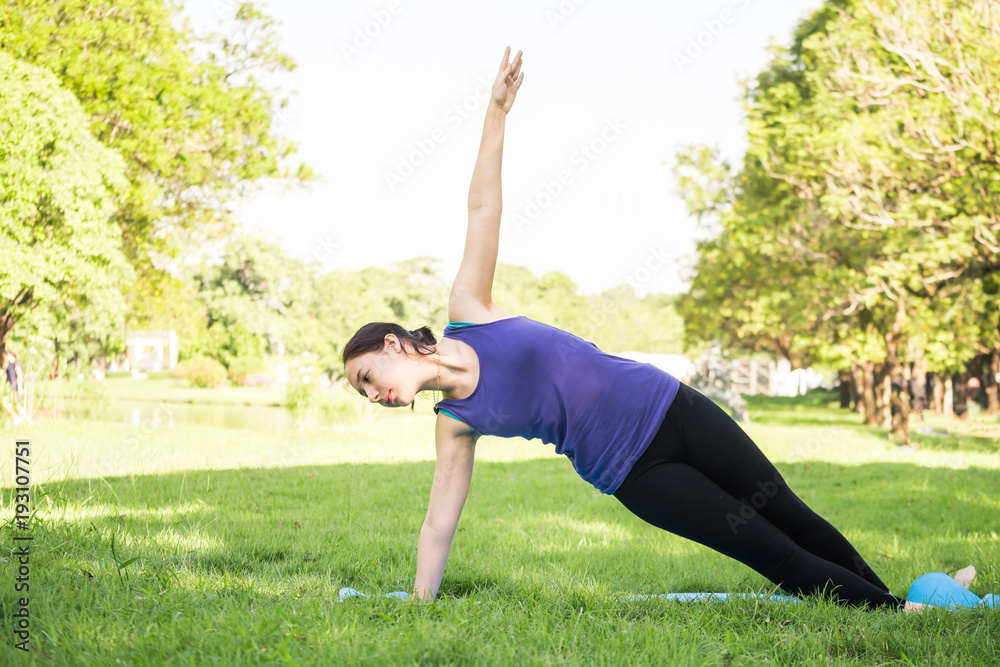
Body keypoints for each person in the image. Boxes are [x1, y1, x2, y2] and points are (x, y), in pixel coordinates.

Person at [342, 47, 919, 612]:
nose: (373, 395)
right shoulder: (455, 425)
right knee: (769, 550)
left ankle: (890, 602)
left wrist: (496, 112)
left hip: (671, 404)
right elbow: (439, 522)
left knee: (789, 512)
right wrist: (419, 601)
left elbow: (482, 210)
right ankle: (901, 615)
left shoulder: (470, 310)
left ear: (392, 344)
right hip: (636, 472)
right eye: (364, 392)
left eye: (367, 377)